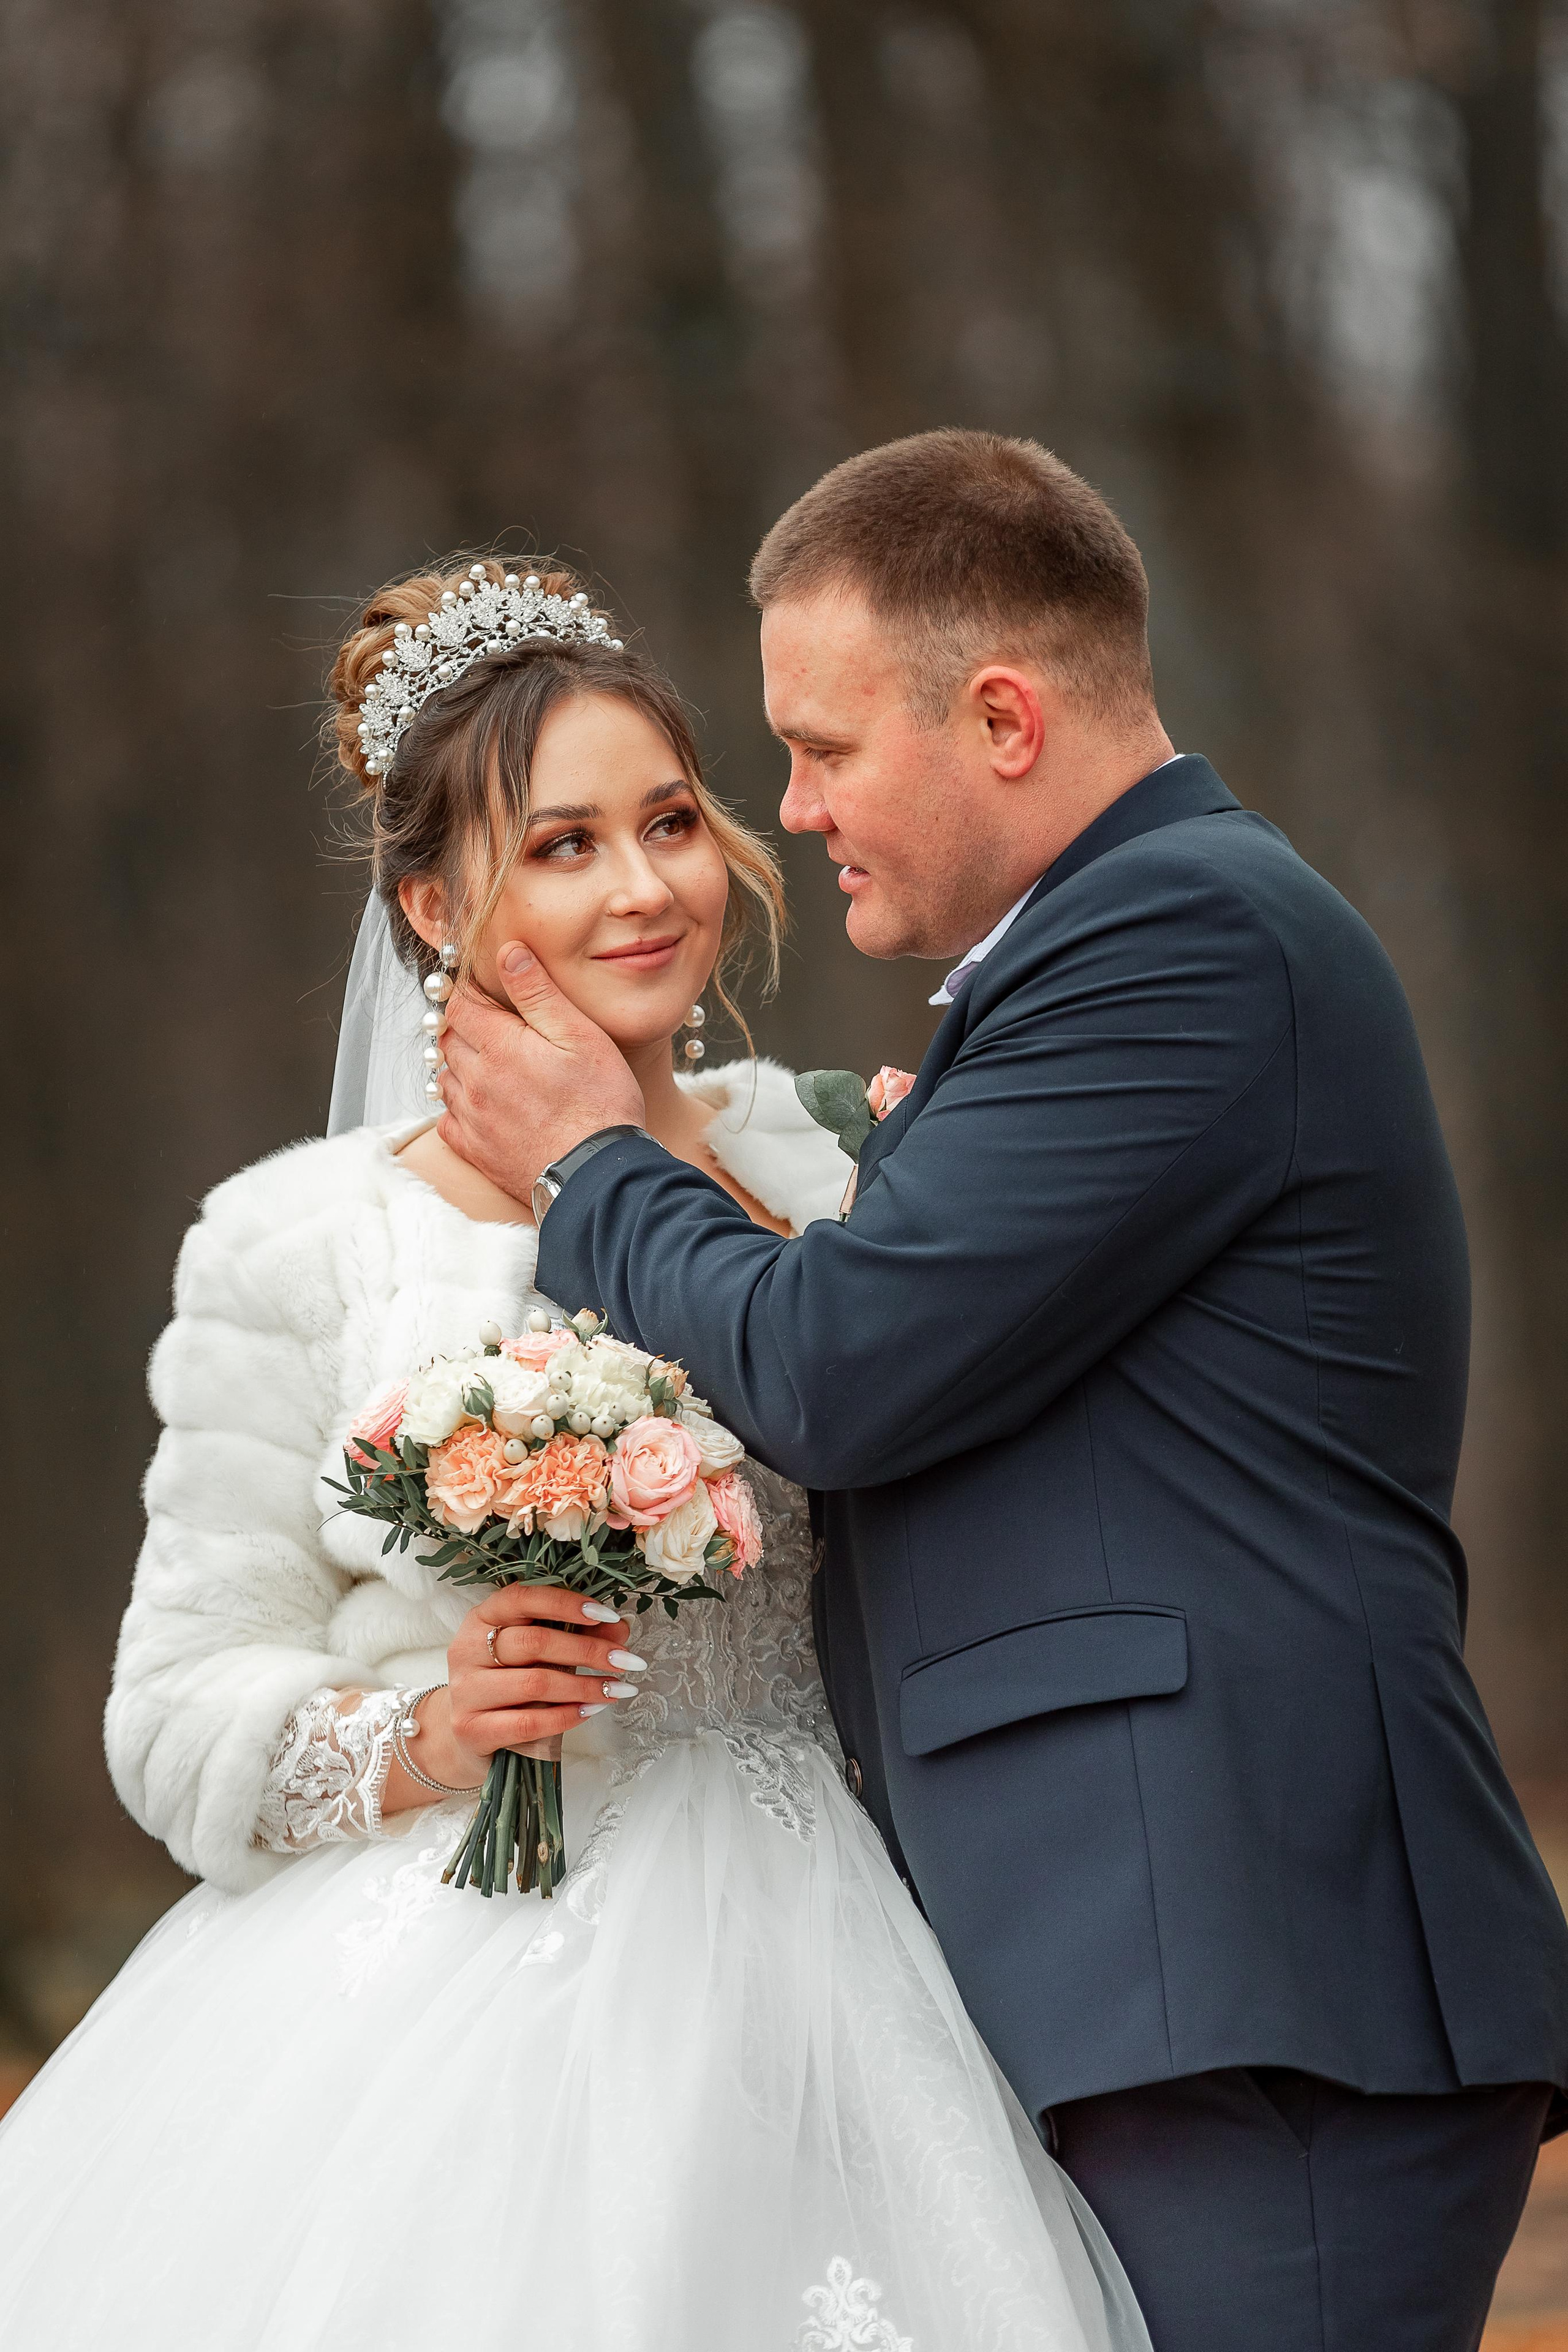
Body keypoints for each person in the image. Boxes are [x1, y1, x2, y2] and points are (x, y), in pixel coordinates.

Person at [430, 434, 1568, 2352]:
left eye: (825, 749)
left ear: (1007, 719)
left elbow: (834, 1368)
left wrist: (592, 1162)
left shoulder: (1180, 938)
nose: (788, 811)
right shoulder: (1106, 958)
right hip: (1161, 1973)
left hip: (1247, 1982)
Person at [0, 554, 1150, 2352]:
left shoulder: (849, 1175)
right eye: (562, 845)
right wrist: (423, 1731)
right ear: (434, 903)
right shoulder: (294, 1246)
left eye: (673, 822)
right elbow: (171, 1704)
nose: (644, 888)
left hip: (851, 1973)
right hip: (440, 2006)